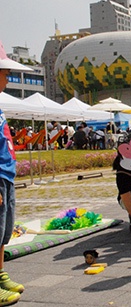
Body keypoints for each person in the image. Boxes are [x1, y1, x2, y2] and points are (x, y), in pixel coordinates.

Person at [0, 40, 30, 305]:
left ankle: (0, 274)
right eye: (4, 73)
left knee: (3, 230)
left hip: (6, 176)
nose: (7, 79)